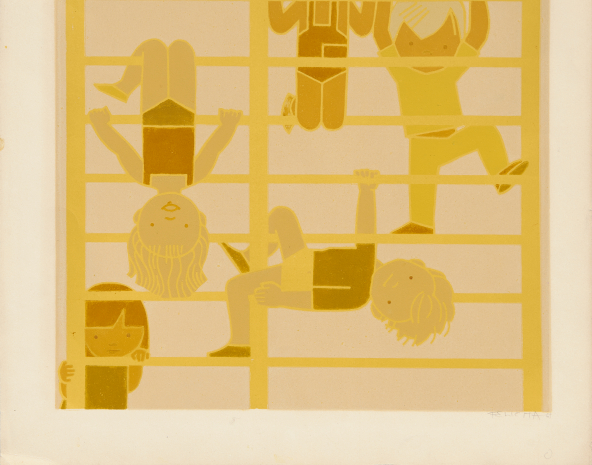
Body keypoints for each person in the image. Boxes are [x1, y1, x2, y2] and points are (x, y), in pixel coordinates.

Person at [208, 170, 455, 357]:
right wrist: (366, 190)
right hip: (305, 259)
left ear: (381, 311)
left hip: (299, 276)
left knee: (236, 287)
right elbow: (365, 234)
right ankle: (250, 258)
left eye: (392, 300)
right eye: (408, 277)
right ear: (412, 263)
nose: (394, 283)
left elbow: (315, 301)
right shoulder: (372, 263)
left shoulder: (358, 295)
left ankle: (241, 343)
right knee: (282, 216)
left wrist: (281, 298)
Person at [89, 39, 242, 297]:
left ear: (139, 218)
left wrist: (101, 126)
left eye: (155, 226)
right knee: (183, 50)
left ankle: (124, 87)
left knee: (154, 49)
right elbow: (213, 149)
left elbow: (120, 149)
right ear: (199, 220)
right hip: (184, 111)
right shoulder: (193, 175)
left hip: (153, 111)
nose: (170, 218)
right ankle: (123, 87)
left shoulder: (144, 175)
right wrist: (227, 126)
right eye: (184, 227)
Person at [373, 0, 529, 234]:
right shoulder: (402, 71)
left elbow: (475, 36)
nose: (426, 52)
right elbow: (381, 35)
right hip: (421, 142)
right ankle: (422, 223)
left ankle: (500, 175)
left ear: (454, 48)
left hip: (444, 138)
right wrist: (383, 1)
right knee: (421, 180)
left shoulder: (447, 71)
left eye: (443, 46)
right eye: (411, 44)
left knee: (484, 132)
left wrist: (477, 1)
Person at [269, 0, 390, 132]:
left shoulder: (343, 4)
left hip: (337, 69)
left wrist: (372, 1)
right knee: (308, 123)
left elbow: (362, 28)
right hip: (307, 68)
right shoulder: (303, 2)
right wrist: (274, 0)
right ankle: (294, 105)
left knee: (334, 122)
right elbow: (280, 25)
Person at [58, 283, 149, 409]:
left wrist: (136, 360)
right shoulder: (80, 361)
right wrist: (64, 378)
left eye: (128, 335)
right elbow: (68, 394)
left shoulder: (121, 364)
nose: (113, 343)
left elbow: (130, 385)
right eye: (96, 336)